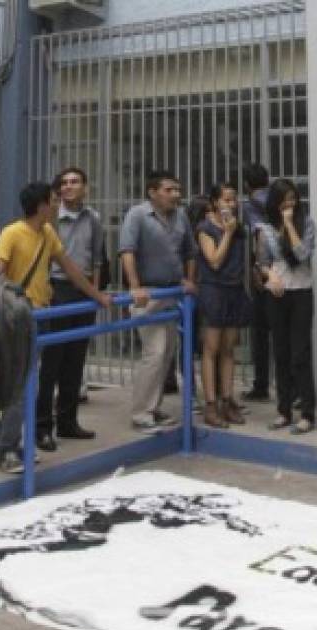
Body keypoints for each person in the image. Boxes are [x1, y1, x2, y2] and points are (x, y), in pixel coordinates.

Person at [0, 182, 105, 473]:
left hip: (42, 314)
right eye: (53, 201)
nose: (57, 205)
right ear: (41, 205)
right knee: (18, 387)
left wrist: (97, 296)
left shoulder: (47, 233)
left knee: (31, 383)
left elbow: (70, 268)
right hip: (19, 317)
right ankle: (7, 449)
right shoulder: (12, 233)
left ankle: (19, 442)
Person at [120, 169, 197, 433]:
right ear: (152, 192)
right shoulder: (137, 215)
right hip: (149, 294)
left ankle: (154, 407)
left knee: (166, 357)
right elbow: (127, 251)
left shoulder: (181, 216)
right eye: (169, 190)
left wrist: (188, 279)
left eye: (177, 189)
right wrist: (134, 287)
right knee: (154, 353)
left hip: (173, 293)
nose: (176, 194)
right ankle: (141, 414)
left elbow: (189, 252)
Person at [38, 167, 110, 448]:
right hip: (57, 289)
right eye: (64, 183)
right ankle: (43, 426)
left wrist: (95, 290)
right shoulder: (50, 220)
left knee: (76, 359)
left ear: (85, 187)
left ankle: (68, 421)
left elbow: (96, 258)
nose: (68, 187)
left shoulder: (94, 218)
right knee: (52, 362)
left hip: (84, 293)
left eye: (75, 182)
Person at [257, 178, 317, 434]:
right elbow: (262, 262)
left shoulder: (308, 223)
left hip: (301, 291)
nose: (289, 203)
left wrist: (290, 224)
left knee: (300, 354)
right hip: (277, 294)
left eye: (293, 198)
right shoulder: (265, 228)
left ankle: (307, 413)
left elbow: (303, 254)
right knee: (280, 353)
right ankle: (283, 411)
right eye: (284, 199)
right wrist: (269, 276)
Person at [195, 182, 251, 428]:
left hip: (235, 289)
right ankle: (210, 404)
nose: (231, 204)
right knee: (211, 349)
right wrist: (227, 233)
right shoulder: (206, 228)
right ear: (215, 202)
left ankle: (228, 400)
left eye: (233, 199)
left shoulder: (239, 228)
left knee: (229, 349)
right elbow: (214, 261)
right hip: (213, 290)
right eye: (226, 200)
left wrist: (233, 230)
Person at [241, 163, 272, 402]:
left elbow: (256, 236)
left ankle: (261, 385)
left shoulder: (249, 206)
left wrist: (256, 269)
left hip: (262, 273)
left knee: (260, 333)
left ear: (247, 185)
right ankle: (292, 387)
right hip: (286, 272)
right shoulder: (280, 199)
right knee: (285, 334)